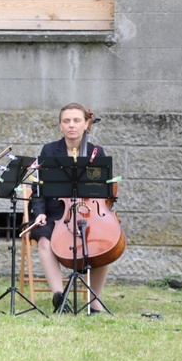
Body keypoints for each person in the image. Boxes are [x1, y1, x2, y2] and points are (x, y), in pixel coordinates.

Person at [29, 103, 112, 314]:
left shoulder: (96, 152)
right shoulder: (49, 150)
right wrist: (39, 213)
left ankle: (94, 301)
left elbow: (106, 190)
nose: (71, 125)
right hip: (55, 214)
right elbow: (38, 188)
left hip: (89, 212)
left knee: (105, 245)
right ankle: (60, 297)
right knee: (44, 239)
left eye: (76, 120)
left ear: (86, 124)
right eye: (66, 121)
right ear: (60, 126)